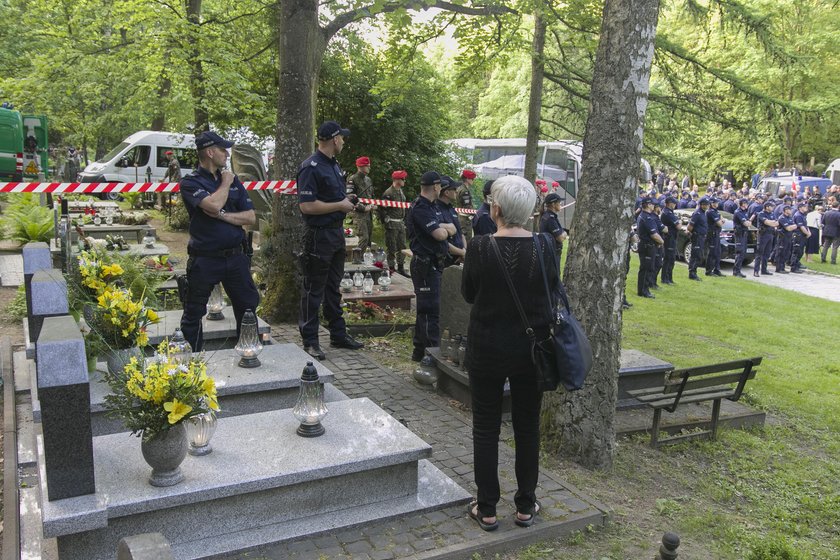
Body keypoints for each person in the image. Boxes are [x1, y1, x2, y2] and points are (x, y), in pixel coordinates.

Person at [461, 175, 554, 532]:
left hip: (487, 347)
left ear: (495, 208)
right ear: (530, 211)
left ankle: (486, 508)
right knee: (527, 426)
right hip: (532, 350)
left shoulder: (480, 246)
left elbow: (469, 293)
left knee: (486, 428)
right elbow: (550, 291)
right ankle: (526, 506)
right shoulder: (546, 246)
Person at [178, 131, 260, 351]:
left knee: (248, 308)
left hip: (235, 257)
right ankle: (193, 361)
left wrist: (224, 216)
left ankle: (248, 353)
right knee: (193, 312)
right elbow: (212, 205)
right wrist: (224, 184)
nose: (227, 154)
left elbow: (251, 217)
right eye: (223, 149)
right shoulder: (191, 182)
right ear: (210, 151)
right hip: (205, 260)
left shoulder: (234, 181)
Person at [297, 121, 364, 360]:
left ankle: (338, 334)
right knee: (313, 289)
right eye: (342, 138)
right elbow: (306, 205)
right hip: (318, 235)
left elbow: (334, 197)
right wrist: (339, 204)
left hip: (335, 234)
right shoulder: (311, 167)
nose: (344, 142)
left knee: (333, 288)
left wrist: (350, 199)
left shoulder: (334, 165)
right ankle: (310, 341)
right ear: (335, 140)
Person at [407, 171, 456, 361]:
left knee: (426, 310)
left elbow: (449, 227)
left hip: (433, 263)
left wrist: (446, 228)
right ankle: (431, 357)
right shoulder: (421, 208)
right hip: (425, 265)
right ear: (436, 187)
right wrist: (446, 229)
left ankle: (419, 352)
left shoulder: (431, 206)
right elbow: (440, 234)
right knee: (430, 312)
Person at [378, 170, 408, 276]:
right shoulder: (388, 193)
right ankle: (391, 268)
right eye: (403, 179)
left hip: (401, 223)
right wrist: (386, 221)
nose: (404, 181)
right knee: (391, 247)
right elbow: (382, 209)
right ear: (397, 180)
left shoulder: (400, 191)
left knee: (402, 246)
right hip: (392, 224)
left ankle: (400, 267)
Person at [636, 197, 664, 297]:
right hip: (647, 246)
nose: (653, 206)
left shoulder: (645, 216)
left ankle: (644, 290)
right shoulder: (646, 217)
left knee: (647, 268)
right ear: (648, 205)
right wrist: (661, 241)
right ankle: (644, 291)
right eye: (652, 204)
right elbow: (653, 234)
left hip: (648, 246)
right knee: (647, 269)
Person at [437, 176, 467, 267]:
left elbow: (460, 232)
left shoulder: (451, 209)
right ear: (446, 192)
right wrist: (461, 252)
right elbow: (442, 242)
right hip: (445, 260)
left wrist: (464, 250)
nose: (457, 191)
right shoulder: (436, 210)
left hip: (458, 257)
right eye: (454, 189)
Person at [347, 156, 374, 251]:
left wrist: (373, 205)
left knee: (369, 239)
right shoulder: (353, 179)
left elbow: (371, 195)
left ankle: (365, 259)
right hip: (359, 214)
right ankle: (357, 259)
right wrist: (363, 208)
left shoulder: (368, 180)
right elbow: (350, 197)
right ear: (360, 166)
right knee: (364, 237)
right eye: (367, 166)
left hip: (369, 213)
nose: (369, 168)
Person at [539, 192, 568, 273]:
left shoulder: (548, 216)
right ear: (553, 204)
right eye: (559, 202)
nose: (561, 204)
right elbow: (560, 238)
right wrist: (565, 233)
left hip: (550, 253)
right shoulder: (550, 218)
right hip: (552, 254)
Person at [686, 197, 710, 280]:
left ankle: (693, 272)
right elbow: (690, 226)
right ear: (701, 205)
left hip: (702, 237)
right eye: (705, 205)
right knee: (696, 255)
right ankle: (692, 273)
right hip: (697, 236)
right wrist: (693, 233)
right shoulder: (697, 213)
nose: (707, 206)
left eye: (707, 205)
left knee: (699, 255)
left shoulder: (703, 213)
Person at [754, 201, 779, 277]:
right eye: (771, 206)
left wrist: (772, 222)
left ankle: (764, 270)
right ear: (767, 207)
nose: (773, 208)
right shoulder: (761, 214)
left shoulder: (772, 214)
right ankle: (756, 271)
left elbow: (777, 223)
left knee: (767, 253)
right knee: (759, 254)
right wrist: (772, 222)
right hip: (763, 235)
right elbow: (767, 222)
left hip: (770, 235)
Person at [660, 196, 681, 284]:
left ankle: (669, 278)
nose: (675, 205)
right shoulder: (667, 213)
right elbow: (679, 226)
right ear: (669, 203)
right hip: (669, 238)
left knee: (671, 258)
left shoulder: (669, 212)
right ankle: (665, 278)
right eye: (674, 203)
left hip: (671, 237)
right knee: (668, 258)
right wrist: (679, 221)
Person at [731, 198, 752, 277]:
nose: (747, 205)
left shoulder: (744, 212)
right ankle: (736, 271)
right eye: (746, 203)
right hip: (739, 234)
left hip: (744, 233)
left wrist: (749, 222)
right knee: (739, 253)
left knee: (743, 253)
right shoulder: (738, 212)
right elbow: (746, 223)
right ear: (742, 204)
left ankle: (738, 270)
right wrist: (748, 222)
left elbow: (749, 222)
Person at [774, 206, 797, 273]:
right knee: (781, 253)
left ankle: (782, 267)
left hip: (789, 237)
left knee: (786, 253)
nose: (791, 211)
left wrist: (792, 226)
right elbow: (788, 228)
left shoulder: (789, 218)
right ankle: (778, 268)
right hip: (782, 238)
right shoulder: (782, 218)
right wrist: (792, 226)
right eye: (789, 209)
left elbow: (795, 226)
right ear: (786, 210)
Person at [705, 197, 725, 276]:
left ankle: (717, 270)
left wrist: (721, 220)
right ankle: (709, 271)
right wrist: (721, 220)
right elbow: (720, 223)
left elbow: (722, 219)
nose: (717, 204)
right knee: (712, 253)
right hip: (712, 234)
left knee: (717, 253)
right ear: (712, 203)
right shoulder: (711, 212)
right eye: (716, 203)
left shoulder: (716, 211)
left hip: (716, 233)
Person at [790, 201, 810, 273]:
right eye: (804, 207)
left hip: (802, 235)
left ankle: (797, 265)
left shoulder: (802, 215)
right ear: (800, 208)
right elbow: (801, 227)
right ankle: (793, 267)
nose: (806, 208)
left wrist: (808, 232)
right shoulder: (798, 215)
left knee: (800, 251)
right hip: (798, 235)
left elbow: (805, 225)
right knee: (797, 251)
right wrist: (807, 233)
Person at [457, 169, 477, 242]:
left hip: (460, 217)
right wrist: (473, 215)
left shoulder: (459, 188)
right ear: (467, 179)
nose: (473, 180)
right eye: (472, 179)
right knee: (467, 240)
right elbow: (467, 208)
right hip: (465, 219)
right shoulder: (465, 191)